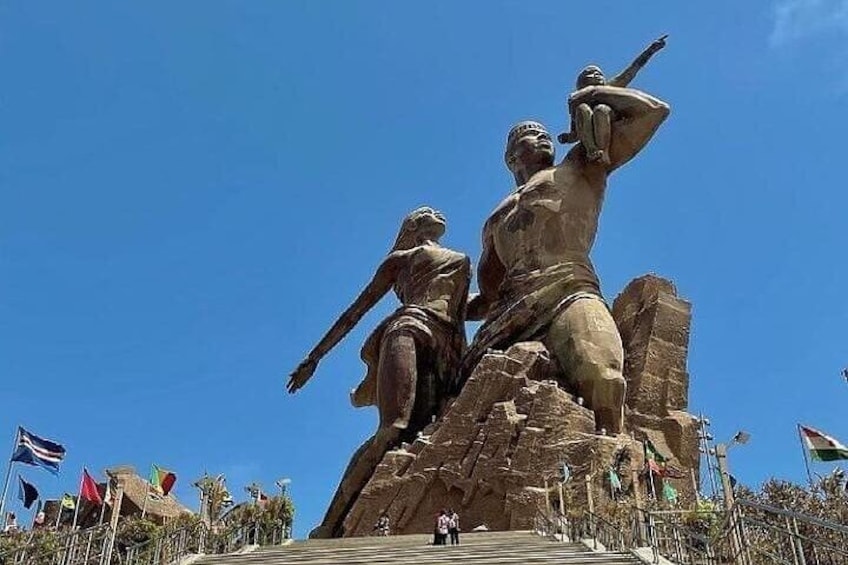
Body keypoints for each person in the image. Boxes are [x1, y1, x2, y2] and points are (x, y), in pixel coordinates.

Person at [464, 79, 670, 435]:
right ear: (512, 157)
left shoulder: (581, 166)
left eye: (545, 132)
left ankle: (614, 462)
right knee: (461, 400)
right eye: (530, 133)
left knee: (605, 377)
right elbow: (487, 297)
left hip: (569, 290)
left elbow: (653, 111)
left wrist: (590, 95)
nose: (542, 136)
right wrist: (434, 308)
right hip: (510, 313)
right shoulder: (495, 220)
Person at [288, 207, 471, 537]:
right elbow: (355, 312)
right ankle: (330, 523)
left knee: (424, 430)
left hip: (447, 344)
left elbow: (463, 309)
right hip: (408, 329)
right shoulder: (401, 259)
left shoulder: (462, 260)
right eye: (426, 211)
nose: (438, 212)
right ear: (412, 226)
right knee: (393, 428)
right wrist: (314, 357)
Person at [558, 35, 667, 165]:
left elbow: (632, 70)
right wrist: (567, 137)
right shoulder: (577, 99)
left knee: (601, 109)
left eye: (599, 74)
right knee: (582, 109)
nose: (596, 75)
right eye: (590, 74)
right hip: (588, 130)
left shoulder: (609, 88)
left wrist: (650, 50)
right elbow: (576, 131)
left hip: (609, 119)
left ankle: (603, 151)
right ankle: (592, 150)